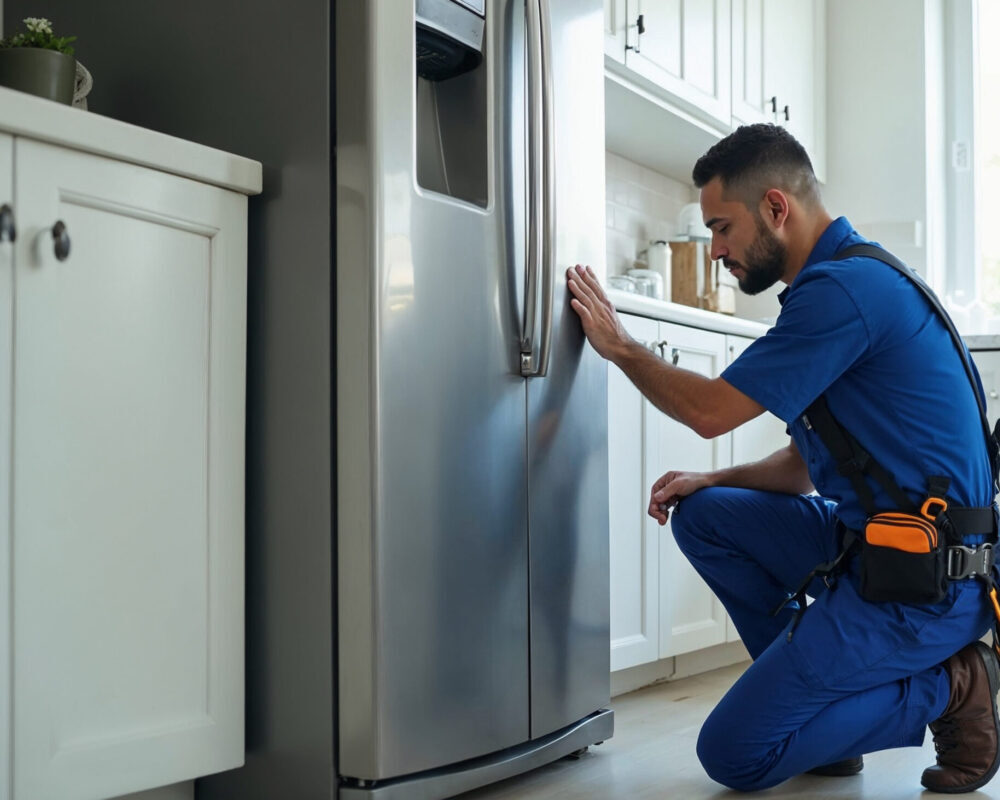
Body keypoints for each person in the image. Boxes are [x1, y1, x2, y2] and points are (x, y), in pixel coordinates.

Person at [566, 123, 1000, 793]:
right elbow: (806, 464)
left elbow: (709, 411)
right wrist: (713, 480)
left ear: (775, 207)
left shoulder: (845, 292)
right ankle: (824, 716)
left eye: (721, 227)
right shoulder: (839, 282)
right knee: (706, 514)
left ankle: (957, 685)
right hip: (876, 546)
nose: (715, 251)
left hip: (925, 581)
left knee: (736, 755)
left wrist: (623, 347)